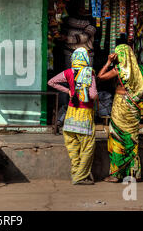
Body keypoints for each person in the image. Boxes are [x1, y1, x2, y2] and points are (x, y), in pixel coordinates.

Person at [48, 47, 98, 185]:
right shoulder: (90, 73)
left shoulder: (68, 72)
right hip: (85, 114)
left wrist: (69, 91)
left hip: (70, 114)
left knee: (72, 145)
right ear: (86, 58)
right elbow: (93, 95)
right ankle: (80, 176)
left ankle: (76, 172)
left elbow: (51, 82)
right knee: (88, 146)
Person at [97, 44, 143, 183]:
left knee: (117, 137)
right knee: (132, 138)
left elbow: (100, 77)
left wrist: (108, 62)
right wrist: (134, 99)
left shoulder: (119, 70)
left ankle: (116, 175)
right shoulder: (139, 70)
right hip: (133, 108)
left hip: (121, 106)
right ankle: (133, 174)